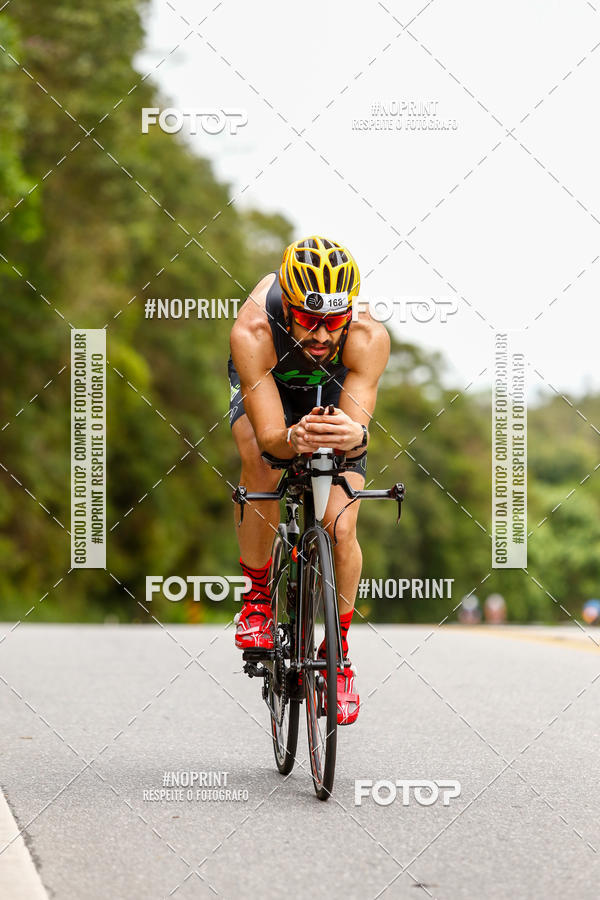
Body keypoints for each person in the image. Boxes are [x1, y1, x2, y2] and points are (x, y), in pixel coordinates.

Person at [228, 235, 390, 725]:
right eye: (308, 320)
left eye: (332, 321)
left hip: (333, 390)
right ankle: (257, 600)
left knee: (340, 524)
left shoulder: (368, 337)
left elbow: (358, 435)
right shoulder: (253, 330)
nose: (320, 335)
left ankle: (338, 658)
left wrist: (350, 436)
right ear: (289, 306)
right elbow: (274, 437)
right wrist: (291, 438)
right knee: (258, 458)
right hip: (271, 389)